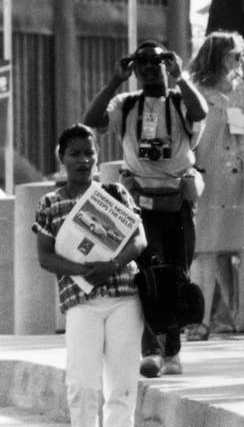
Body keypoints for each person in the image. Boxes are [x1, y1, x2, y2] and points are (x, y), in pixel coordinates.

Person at [82, 40, 208, 378]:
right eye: (142, 63)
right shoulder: (125, 104)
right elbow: (90, 119)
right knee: (149, 274)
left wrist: (181, 78)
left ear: (168, 64)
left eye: (156, 61)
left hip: (177, 199)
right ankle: (151, 350)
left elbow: (200, 114)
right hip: (140, 202)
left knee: (178, 272)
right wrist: (114, 82)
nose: (149, 68)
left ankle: (173, 351)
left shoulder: (181, 101)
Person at [33, 125, 149, 427]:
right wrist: (84, 272)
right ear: (62, 157)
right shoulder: (50, 203)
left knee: (121, 387)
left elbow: (139, 240)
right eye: (75, 154)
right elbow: (45, 256)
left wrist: (112, 264)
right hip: (81, 302)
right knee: (82, 386)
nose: (83, 160)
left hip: (124, 299)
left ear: (97, 157)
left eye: (89, 153)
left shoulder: (114, 193)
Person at [185, 31, 244, 338]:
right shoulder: (195, 89)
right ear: (216, 56)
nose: (240, 60)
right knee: (206, 251)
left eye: (241, 55)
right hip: (209, 181)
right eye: (234, 55)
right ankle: (201, 318)